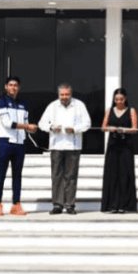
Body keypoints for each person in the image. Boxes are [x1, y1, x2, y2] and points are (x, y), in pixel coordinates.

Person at [38, 83, 91, 215]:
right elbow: (41, 123)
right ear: (58, 94)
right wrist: (51, 127)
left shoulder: (79, 105)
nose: (64, 97)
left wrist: (75, 129)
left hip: (73, 146)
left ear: (71, 94)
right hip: (56, 145)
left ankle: (70, 204)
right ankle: (57, 204)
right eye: (62, 94)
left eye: (67, 94)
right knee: (56, 176)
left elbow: (87, 123)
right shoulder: (52, 106)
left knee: (71, 176)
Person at [0, 76, 38, 216]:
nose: (13, 87)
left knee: (17, 175)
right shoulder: (1, 102)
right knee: (1, 174)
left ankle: (16, 204)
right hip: (5, 142)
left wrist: (31, 129)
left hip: (20, 144)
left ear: (19, 87)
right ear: (6, 87)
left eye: (16, 85)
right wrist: (26, 126)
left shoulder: (23, 104)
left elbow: (26, 123)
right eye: (10, 85)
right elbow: (7, 123)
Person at [101, 88, 138, 213]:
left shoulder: (131, 111)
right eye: (116, 99)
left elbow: (135, 129)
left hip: (126, 145)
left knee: (125, 174)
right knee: (112, 174)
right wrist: (110, 128)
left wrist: (124, 130)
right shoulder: (109, 110)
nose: (119, 102)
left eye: (121, 99)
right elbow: (103, 127)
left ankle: (125, 205)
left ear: (125, 99)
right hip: (113, 145)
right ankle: (112, 205)